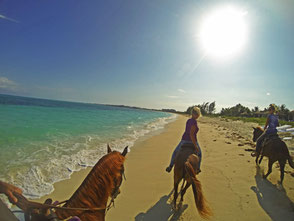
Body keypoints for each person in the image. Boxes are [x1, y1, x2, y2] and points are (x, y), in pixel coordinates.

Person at [166, 106, 202, 173]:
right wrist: (195, 146)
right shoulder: (194, 122)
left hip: (184, 140)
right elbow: (191, 135)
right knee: (199, 154)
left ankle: (170, 166)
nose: (197, 116)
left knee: (175, 152)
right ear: (193, 114)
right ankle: (198, 168)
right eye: (196, 114)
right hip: (192, 141)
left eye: (197, 114)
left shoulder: (188, 121)